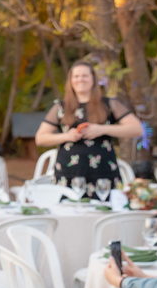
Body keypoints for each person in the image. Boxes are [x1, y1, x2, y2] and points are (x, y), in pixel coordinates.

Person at [35, 60, 142, 198]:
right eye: (76, 76)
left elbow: (137, 129)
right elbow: (40, 138)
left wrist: (102, 129)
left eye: (85, 75)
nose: (80, 79)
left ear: (93, 79)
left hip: (103, 174)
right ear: (71, 81)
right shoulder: (61, 107)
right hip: (68, 174)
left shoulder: (110, 104)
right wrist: (66, 136)